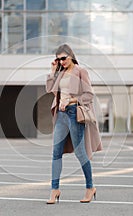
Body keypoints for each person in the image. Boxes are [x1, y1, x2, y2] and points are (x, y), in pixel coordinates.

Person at [46, 44, 103, 204]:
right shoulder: (60, 72)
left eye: (64, 58)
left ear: (71, 56)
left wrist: (70, 100)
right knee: (56, 153)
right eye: (58, 59)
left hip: (73, 114)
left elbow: (89, 95)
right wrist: (52, 71)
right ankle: (54, 189)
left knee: (80, 153)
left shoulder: (80, 71)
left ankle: (90, 187)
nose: (61, 61)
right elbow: (50, 89)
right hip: (61, 116)